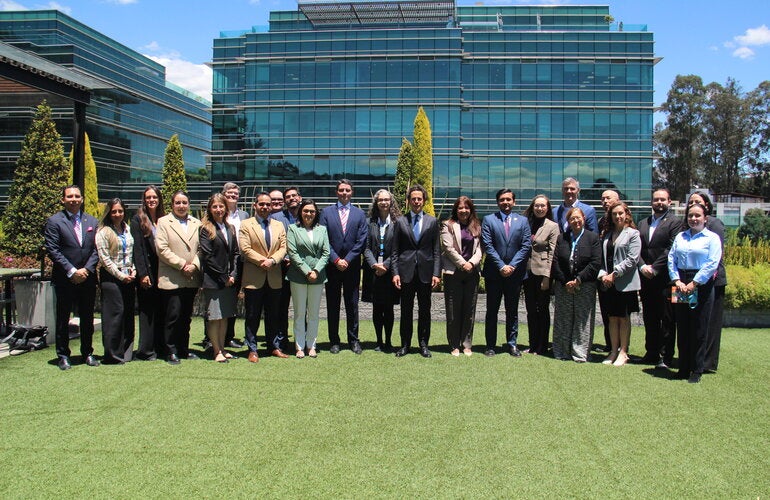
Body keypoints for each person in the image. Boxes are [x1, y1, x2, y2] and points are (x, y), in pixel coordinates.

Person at [44, 185, 100, 370]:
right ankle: (63, 355)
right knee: (63, 318)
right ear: (63, 200)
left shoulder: (91, 220)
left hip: (87, 278)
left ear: (82, 199)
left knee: (87, 317)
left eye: (77, 196)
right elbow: (53, 249)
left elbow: (96, 249)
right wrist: (72, 271)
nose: (74, 199)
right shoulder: (54, 221)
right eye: (70, 196)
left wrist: (86, 270)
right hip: (65, 278)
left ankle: (87, 353)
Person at [668, 202, 722, 384]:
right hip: (681, 281)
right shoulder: (680, 237)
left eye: (697, 215)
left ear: (705, 218)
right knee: (683, 326)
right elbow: (671, 259)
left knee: (699, 327)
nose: (693, 219)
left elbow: (712, 263)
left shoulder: (712, 238)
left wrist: (694, 283)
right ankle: (683, 367)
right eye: (690, 216)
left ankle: (697, 369)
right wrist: (677, 281)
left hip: (701, 284)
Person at [319, 179, 368, 354]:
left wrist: (347, 259)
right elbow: (323, 238)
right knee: (333, 304)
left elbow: (361, 240)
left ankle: (353, 340)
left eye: (347, 190)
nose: (344, 193)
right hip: (332, 267)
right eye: (341, 190)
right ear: (336, 192)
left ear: (352, 192)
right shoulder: (326, 212)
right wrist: (335, 259)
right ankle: (334, 341)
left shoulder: (360, 214)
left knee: (352, 305)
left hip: (352, 267)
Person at [481, 188, 532, 357]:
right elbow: (488, 245)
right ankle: (490, 345)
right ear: (498, 202)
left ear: (514, 201)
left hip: (515, 275)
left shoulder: (523, 221)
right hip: (494, 274)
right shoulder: (489, 220)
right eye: (502, 200)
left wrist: (512, 266)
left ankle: (512, 344)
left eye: (508, 199)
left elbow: (525, 246)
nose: (505, 202)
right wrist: (502, 266)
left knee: (512, 311)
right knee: (492, 310)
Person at [392, 185, 441, 358]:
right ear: (408, 201)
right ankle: (405, 345)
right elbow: (395, 251)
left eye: (419, 198)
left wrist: (436, 273)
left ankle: (423, 344)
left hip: (426, 273)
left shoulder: (432, 221)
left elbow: (436, 250)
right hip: (405, 273)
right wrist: (395, 273)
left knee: (425, 310)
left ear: (424, 200)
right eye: (413, 198)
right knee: (406, 310)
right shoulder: (400, 221)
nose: (416, 201)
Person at [240, 192, 288, 362]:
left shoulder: (278, 225)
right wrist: (264, 261)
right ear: (255, 205)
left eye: (268, 204)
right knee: (252, 315)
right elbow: (245, 249)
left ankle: (273, 346)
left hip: (274, 277)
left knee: (273, 315)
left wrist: (273, 261)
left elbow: (283, 247)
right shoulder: (246, 224)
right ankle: (252, 349)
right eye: (261, 204)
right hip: (254, 277)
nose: (265, 207)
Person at [637, 188, 682, 368]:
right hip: (646, 279)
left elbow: (671, 248)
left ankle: (666, 356)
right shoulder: (642, 223)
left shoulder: (675, 223)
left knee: (668, 319)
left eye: (663, 200)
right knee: (650, 317)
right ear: (652, 202)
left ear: (669, 202)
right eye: (656, 200)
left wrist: (655, 268)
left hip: (666, 279)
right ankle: (651, 352)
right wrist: (641, 266)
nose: (659, 203)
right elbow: (636, 248)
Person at [156, 190, 202, 364]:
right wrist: (182, 264)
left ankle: (183, 348)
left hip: (191, 277)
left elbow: (201, 249)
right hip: (172, 276)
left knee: (186, 316)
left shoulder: (197, 223)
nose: (181, 206)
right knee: (172, 316)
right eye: (178, 203)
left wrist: (194, 265)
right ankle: (171, 351)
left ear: (189, 204)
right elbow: (162, 249)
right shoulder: (163, 222)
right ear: (172, 204)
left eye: (184, 203)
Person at [551, 208, 601, 362]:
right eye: (572, 218)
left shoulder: (592, 238)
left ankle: (580, 353)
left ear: (584, 218)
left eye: (578, 218)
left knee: (583, 319)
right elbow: (556, 261)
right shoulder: (562, 238)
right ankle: (561, 351)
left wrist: (578, 279)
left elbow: (595, 262)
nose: (576, 221)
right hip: (563, 284)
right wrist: (565, 280)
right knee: (563, 318)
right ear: (568, 221)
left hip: (585, 285)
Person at [598, 201, 641, 366]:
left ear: (627, 214)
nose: (618, 216)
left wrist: (614, 274)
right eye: (614, 214)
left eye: (620, 213)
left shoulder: (633, 234)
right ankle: (613, 350)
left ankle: (623, 351)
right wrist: (603, 275)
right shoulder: (607, 234)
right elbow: (602, 258)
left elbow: (632, 260)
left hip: (625, 283)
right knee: (611, 318)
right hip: (608, 283)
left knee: (623, 318)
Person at [687, 191, 726, 373]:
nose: (693, 204)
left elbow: (715, 257)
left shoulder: (714, 225)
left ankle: (707, 363)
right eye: (691, 202)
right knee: (689, 322)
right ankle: (691, 360)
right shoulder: (685, 228)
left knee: (709, 324)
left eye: (698, 202)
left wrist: (699, 279)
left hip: (712, 281)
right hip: (687, 282)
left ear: (707, 207)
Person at [286, 199, 330, 358]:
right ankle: (299, 346)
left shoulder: (322, 229)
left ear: (316, 213)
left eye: (312, 211)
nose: (309, 214)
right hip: (298, 276)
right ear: (300, 212)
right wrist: (307, 271)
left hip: (317, 277)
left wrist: (316, 271)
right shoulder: (292, 229)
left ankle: (311, 345)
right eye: (305, 211)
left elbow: (326, 253)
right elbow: (293, 253)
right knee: (299, 313)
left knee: (313, 313)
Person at [199, 193, 239, 363]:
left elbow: (236, 253)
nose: (218, 209)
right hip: (214, 281)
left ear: (226, 208)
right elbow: (208, 258)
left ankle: (222, 347)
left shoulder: (230, 228)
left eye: (221, 206)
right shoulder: (205, 229)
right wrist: (224, 277)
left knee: (224, 317)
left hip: (228, 280)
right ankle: (216, 351)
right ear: (210, 209)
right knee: (214, 317)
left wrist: (233, 274)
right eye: (214, 206)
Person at [440, 196, 482, 357]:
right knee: (453, 311)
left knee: (469, 310)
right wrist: (462, 263)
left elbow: (480, 249)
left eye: (466, 208)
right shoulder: (448, 225)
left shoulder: (477, 226)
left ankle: (466, 343)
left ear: (471, 210)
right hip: (454, 273)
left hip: (472, 273)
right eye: (460, 208)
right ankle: (454, 344)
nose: (463, 211)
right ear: (455, 210)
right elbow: (448, 248)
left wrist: (471, 263)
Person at [96, 198, 136, 364]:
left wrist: (133, 270)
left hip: (129, 277)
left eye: (120, 211)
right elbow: (105, 260)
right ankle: (112, 354)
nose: (118, 214)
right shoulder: (103, 232)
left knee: (128, 315)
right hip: (112, 279)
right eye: (114, 211)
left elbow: (132, 253)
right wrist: (121, 276)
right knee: (114, 316)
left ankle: (126, 352)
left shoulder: (127, 229)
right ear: (109, 213)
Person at [362, 189, 401, 352]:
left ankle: (389, 341)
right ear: (376, 203)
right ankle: (378, 341)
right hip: (373, 271)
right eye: (380, 200)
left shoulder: (398, 222)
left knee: (389, 308)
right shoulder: (369, 222)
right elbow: (365, 247)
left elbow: (399, 248)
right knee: (377, 308)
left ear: (391, 202)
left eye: (386, 200)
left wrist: (385, 264)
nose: (384, 202)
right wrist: (374, 265)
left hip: (390, 271)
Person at [521, 195, 559, 355]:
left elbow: (552, 253)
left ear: (548, 208)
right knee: (530, 310)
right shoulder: (525, 223)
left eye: (543, 206)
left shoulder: (552, 226)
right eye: (537, 205)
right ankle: (533, 343)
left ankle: (542, 346)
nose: (539, 208)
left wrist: (547, 277)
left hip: (542, 273)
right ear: (532, 206)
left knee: (542, 310)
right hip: (527, 273)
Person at [131, 185, 165, 361]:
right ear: (144, 200)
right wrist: (142, 274)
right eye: (148, 197)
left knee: (161, 311)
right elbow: (138, 249)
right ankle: (146, 350)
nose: (151, 200)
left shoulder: (164, 219)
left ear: (159, 199)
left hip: (164, 273)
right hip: (147, 274)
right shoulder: (138, 220)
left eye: (154, 197)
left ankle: (159, 346)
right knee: (147, 313)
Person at [270, 186, 302, 352]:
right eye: (288, 197)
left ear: (300, 197)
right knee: (281, 307)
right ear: (285, 201)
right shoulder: (275, 217)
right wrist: (284, 258)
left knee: (301, 307)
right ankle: (281, 341)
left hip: (301, 270)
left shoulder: (308, 214)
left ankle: (301, 341)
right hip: (281, 269)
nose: (291, 198)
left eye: (294, 195)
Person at [221, 182, 249, 349]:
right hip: (221, 262)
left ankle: (229, 336)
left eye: (235, 193)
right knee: (217, 299)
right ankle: (210, 337)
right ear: (224, 194)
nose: (233, 195)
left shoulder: (244, 215)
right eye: (229, 192)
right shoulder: (217, 211)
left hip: (240, 262)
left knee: (232, 301)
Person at [596, 189, 620, 352]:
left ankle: (621, 346)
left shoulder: (623, 221)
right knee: (606, 311)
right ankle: (610, 344)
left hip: (620, 275)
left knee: (620, 314)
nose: (605, 201)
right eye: (603, 198)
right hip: (603, 274)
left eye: (608, 198)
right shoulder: (601, 222)